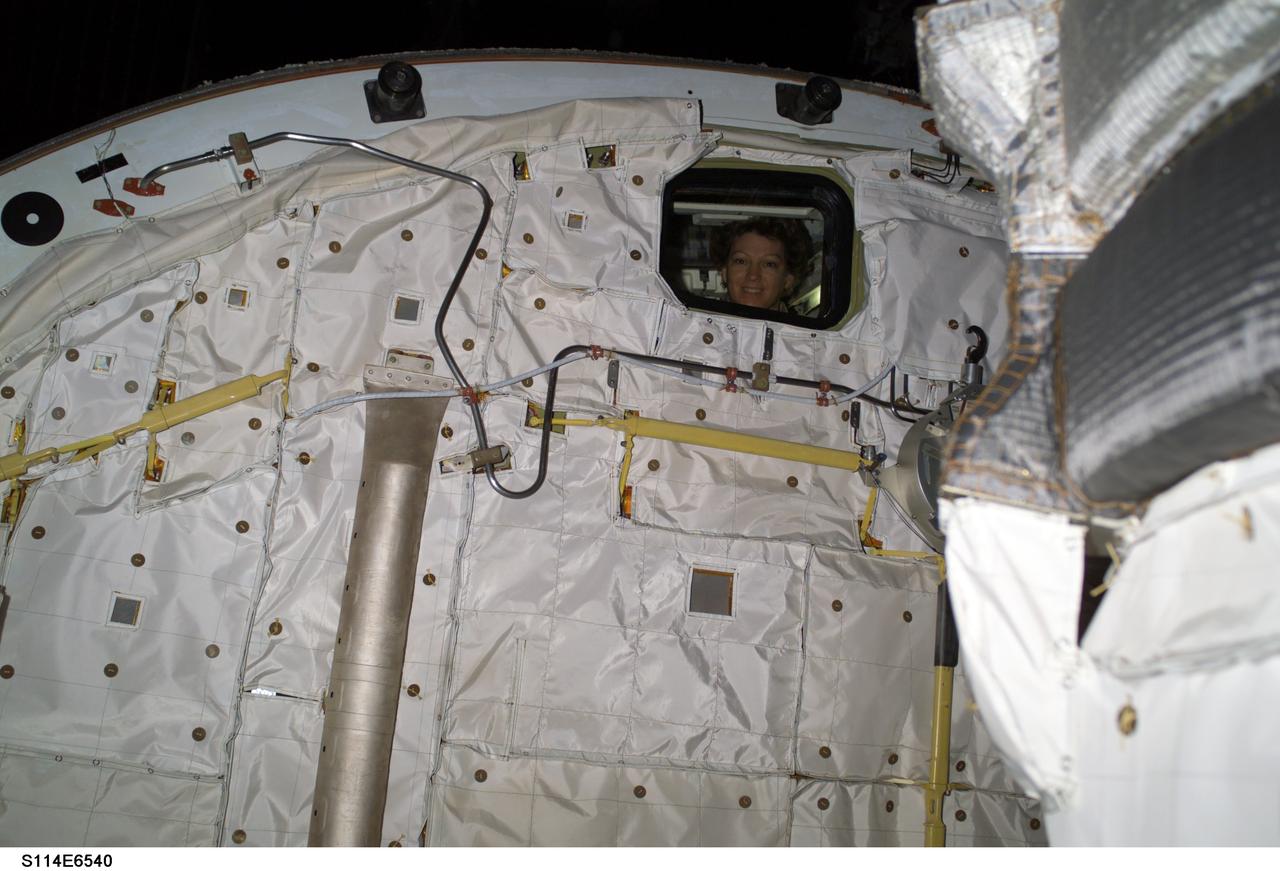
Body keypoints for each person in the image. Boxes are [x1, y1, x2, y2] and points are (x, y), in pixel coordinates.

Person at [711, 218, 813, 311]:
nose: (753, 275)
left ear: (788, 279)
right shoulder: (697, 327)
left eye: (769, 264)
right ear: (724, 272)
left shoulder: (806, 331)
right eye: (741, 261)